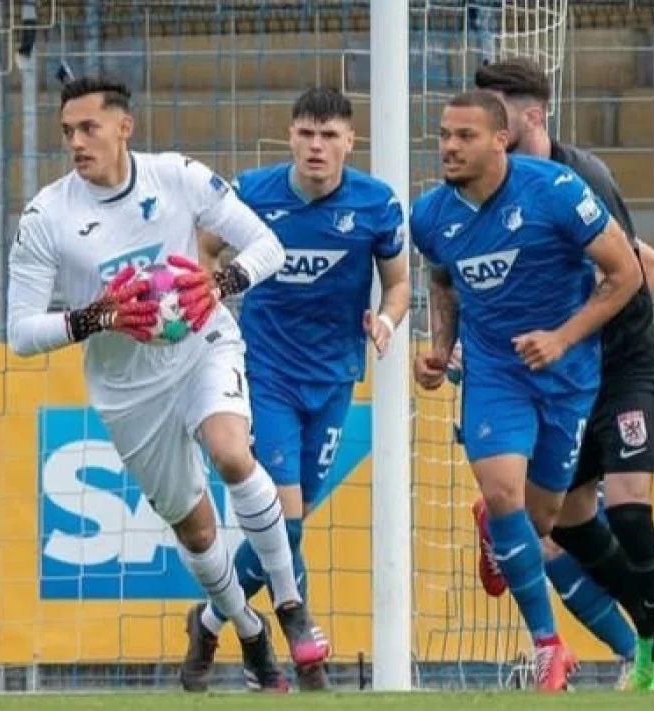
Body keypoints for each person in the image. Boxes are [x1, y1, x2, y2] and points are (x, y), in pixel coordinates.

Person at [5, 76, 329, 693]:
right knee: (198, 530)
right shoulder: (47, 216)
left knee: (233, 454)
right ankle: (245, 628)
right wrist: (92, 317)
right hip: (129, 392)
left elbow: (269, 245)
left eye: (88, 128)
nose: (76, 141)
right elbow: (19, 332)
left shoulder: (177, 177)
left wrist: (223, 282)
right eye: (68, 132)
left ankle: (291, 607)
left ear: (123, 127)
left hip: (201, 346)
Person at [471, 58, 654, 691]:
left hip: (621, 364)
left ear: (531, 116)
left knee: (629, 513)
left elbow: (644, 270)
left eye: (497, 116)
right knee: (565, 524)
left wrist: (574, 336)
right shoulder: (492, 190)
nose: (484, 130)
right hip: (562, 375)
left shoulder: (580, 178)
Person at [410, 90, 643, 692]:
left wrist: (563, 338)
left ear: (499, 139)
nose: (450, 147)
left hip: (566, 375)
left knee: (539, 521)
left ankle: (626, 647)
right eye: (443, 135)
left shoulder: (557, 192)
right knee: (505, 489)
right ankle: (547, 648)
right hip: (494, 373)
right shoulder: (431, 216)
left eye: (464, 136)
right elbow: (443, 280)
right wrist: (440, 347)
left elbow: (627, 275)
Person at [188, 87, 409, 691]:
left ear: (349, 142)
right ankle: (301, 652)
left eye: (330, 135)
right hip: (265, 375)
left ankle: (211, 620)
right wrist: (211, 306)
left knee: (289, 523)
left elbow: (398, 286)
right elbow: (205, 246)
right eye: (307, 134)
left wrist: (385, 323)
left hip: (335, 377)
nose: (317, 146)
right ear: (290, 136)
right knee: (284, 517)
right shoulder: (253, 194)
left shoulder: (376, 204)